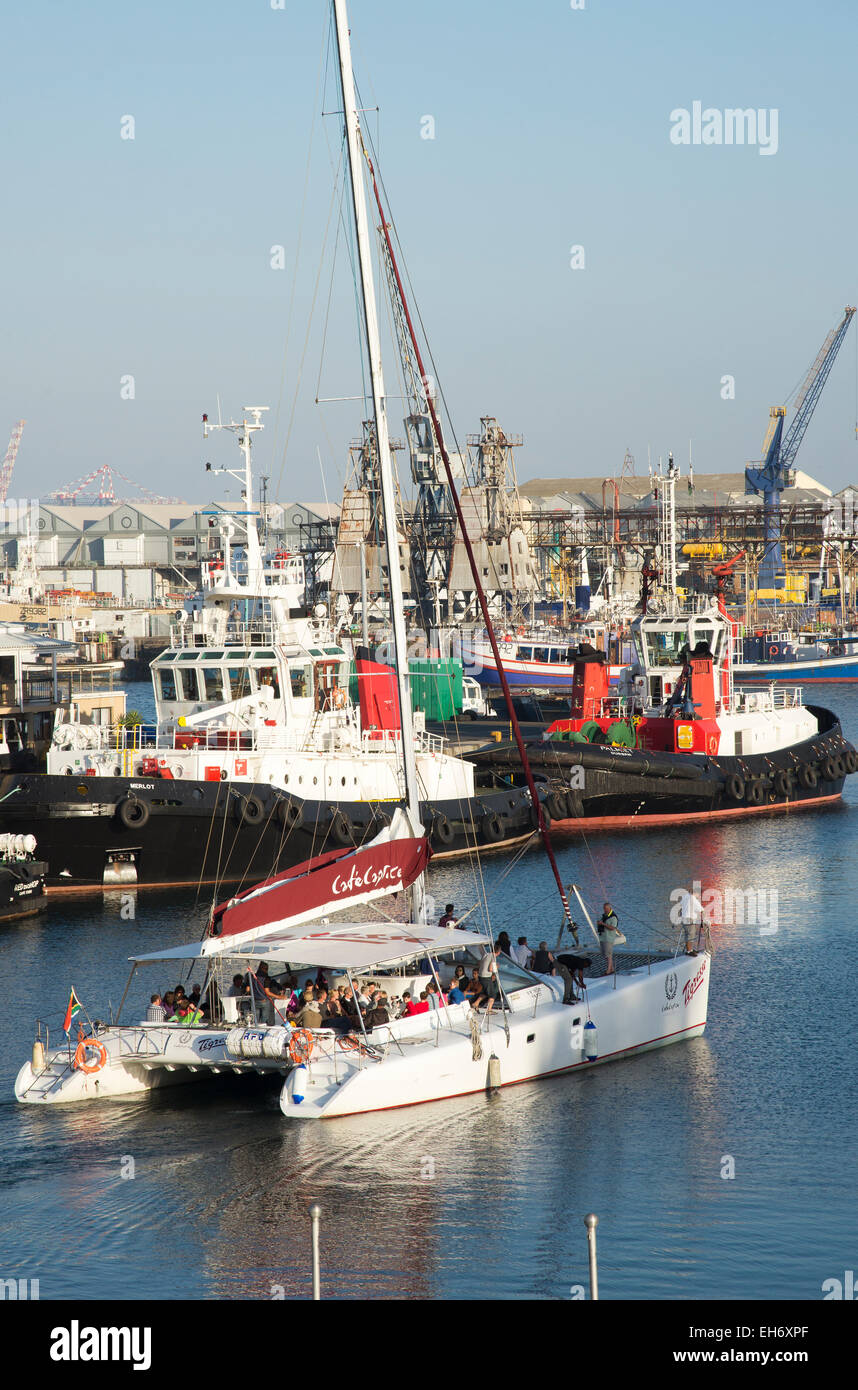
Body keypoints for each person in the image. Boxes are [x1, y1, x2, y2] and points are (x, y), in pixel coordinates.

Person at [597, 903, 620, 976]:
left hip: (609, 938)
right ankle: (612, 968)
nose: (605, 910)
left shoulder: (613, 917)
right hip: (602, 937)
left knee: (608, 954)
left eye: (606, 909)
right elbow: (601, 923)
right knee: (605, 954)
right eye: (604, 908)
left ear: (609, 908)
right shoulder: (604, 916)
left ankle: (608, 971)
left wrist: (603, 924)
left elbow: (613, 928)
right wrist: (599, 924)